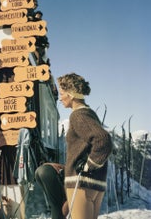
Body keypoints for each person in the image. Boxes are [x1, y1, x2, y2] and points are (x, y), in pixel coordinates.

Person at [57, 73, 113, 219]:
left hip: (82, 182)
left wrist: (89, 164)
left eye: (62, 93)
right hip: (94, 182)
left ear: (71, 95)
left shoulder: (78, 115)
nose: (60, 98)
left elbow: (103, 140)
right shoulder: (90, 113)